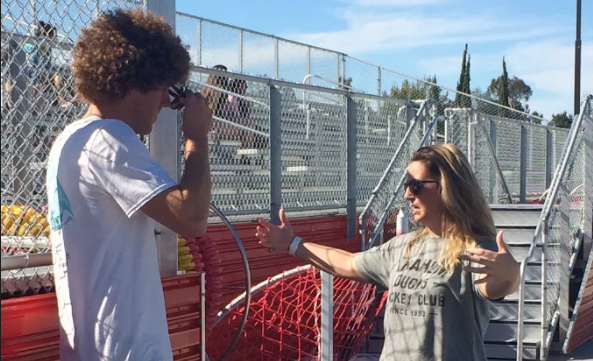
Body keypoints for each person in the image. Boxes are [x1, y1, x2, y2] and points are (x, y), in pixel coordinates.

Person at [45, 8, 212, 361]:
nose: (167, 102)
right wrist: (196, 138)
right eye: (164, 88)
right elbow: (192, 218)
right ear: (135, 83)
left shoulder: (69, 139)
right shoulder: (109, 137)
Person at [255, 143, 520, 361]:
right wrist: (293, 243)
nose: (407, 194)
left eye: (415, 185)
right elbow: (347, 262)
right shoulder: (403, 247)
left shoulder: (475, 248)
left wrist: (511, 274)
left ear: (444, 188)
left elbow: (496, 286)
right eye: (406, 185)